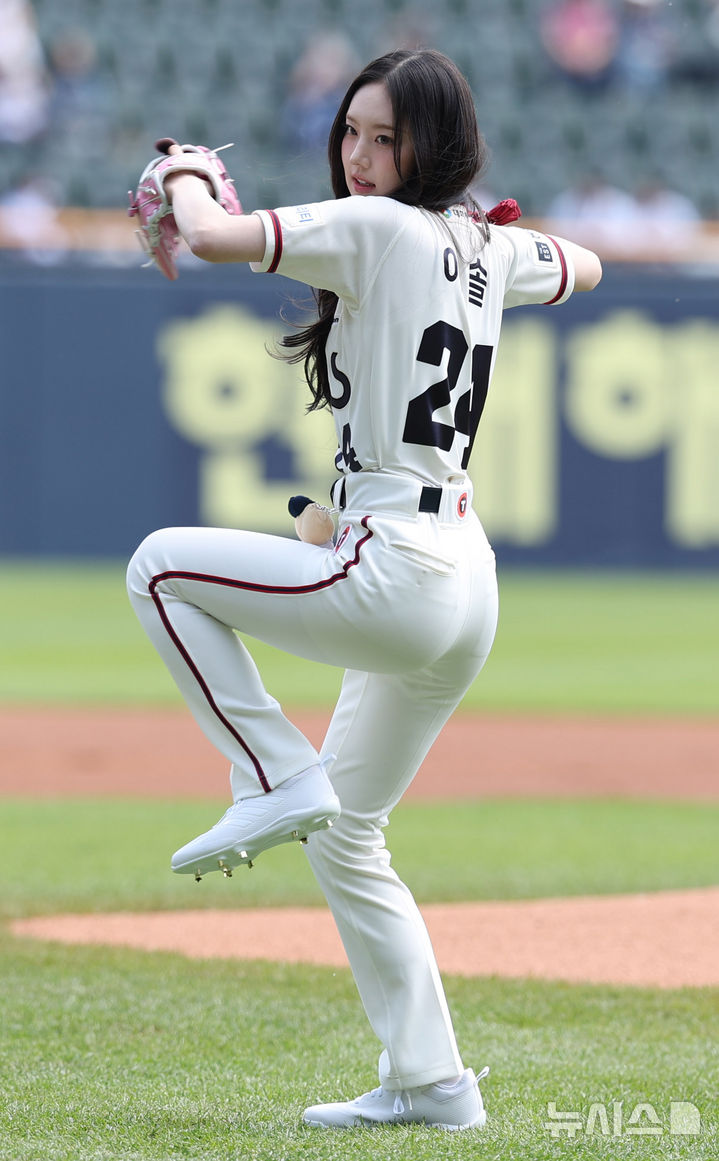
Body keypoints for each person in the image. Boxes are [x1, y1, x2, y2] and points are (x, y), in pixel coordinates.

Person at [126, 48, 601, 1131]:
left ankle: (270, 770)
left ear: (437, 144)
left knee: (157, 565)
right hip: (459, 576)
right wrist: (492, 237)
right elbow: (585, 265)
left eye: (388, 137)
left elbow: (210, 237)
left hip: (398, 567)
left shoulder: (381, 226)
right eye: (352, 130)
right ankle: (432, 1082)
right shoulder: (482, 244)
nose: (360, 153)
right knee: (350, 835)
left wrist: (185, 169)